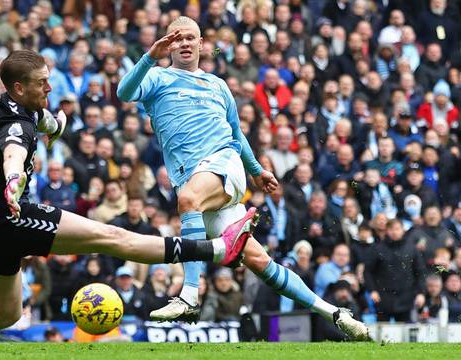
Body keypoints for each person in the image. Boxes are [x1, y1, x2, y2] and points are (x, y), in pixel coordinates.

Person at [0, 49, 255, 352]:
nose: (49, 90)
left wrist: (54, 126)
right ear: (19, 88)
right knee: (112, 238)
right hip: (9, 216)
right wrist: (13, 180)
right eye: (42, 84)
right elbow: (14, 153)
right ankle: (219, 249)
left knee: (3, 312)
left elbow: (42, 123)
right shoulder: (16, 125)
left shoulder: (12, 107)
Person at [116, 16, 368, 341]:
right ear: (168, 44)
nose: (185, 43)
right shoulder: (157, 77)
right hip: (195, 181)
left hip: (223, 165)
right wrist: (150, 55)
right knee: (260, 261)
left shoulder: (218, 85)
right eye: (177, 39)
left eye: (191, 37)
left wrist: (256, 169)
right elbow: (124, 92)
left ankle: (189, 294)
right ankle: (333, 312)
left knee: (188, 200)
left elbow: (236, 133)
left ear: (202, 43)